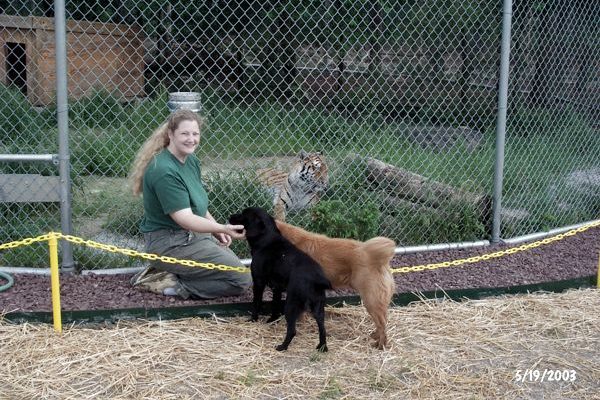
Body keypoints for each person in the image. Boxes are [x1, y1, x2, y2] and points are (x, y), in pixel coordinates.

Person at [129, 109, 251, 299]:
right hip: (169, 243)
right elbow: (184, 218)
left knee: (235, 271)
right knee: (240, 279)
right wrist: (223, 228)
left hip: (190, 236)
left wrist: (215, 229)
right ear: (170, 134)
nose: (191, 139)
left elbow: (196, 204)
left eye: (195, 134)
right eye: (184, 133)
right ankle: (173, 285)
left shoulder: (190, 160)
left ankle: (174, 272)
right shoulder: (164, 170)